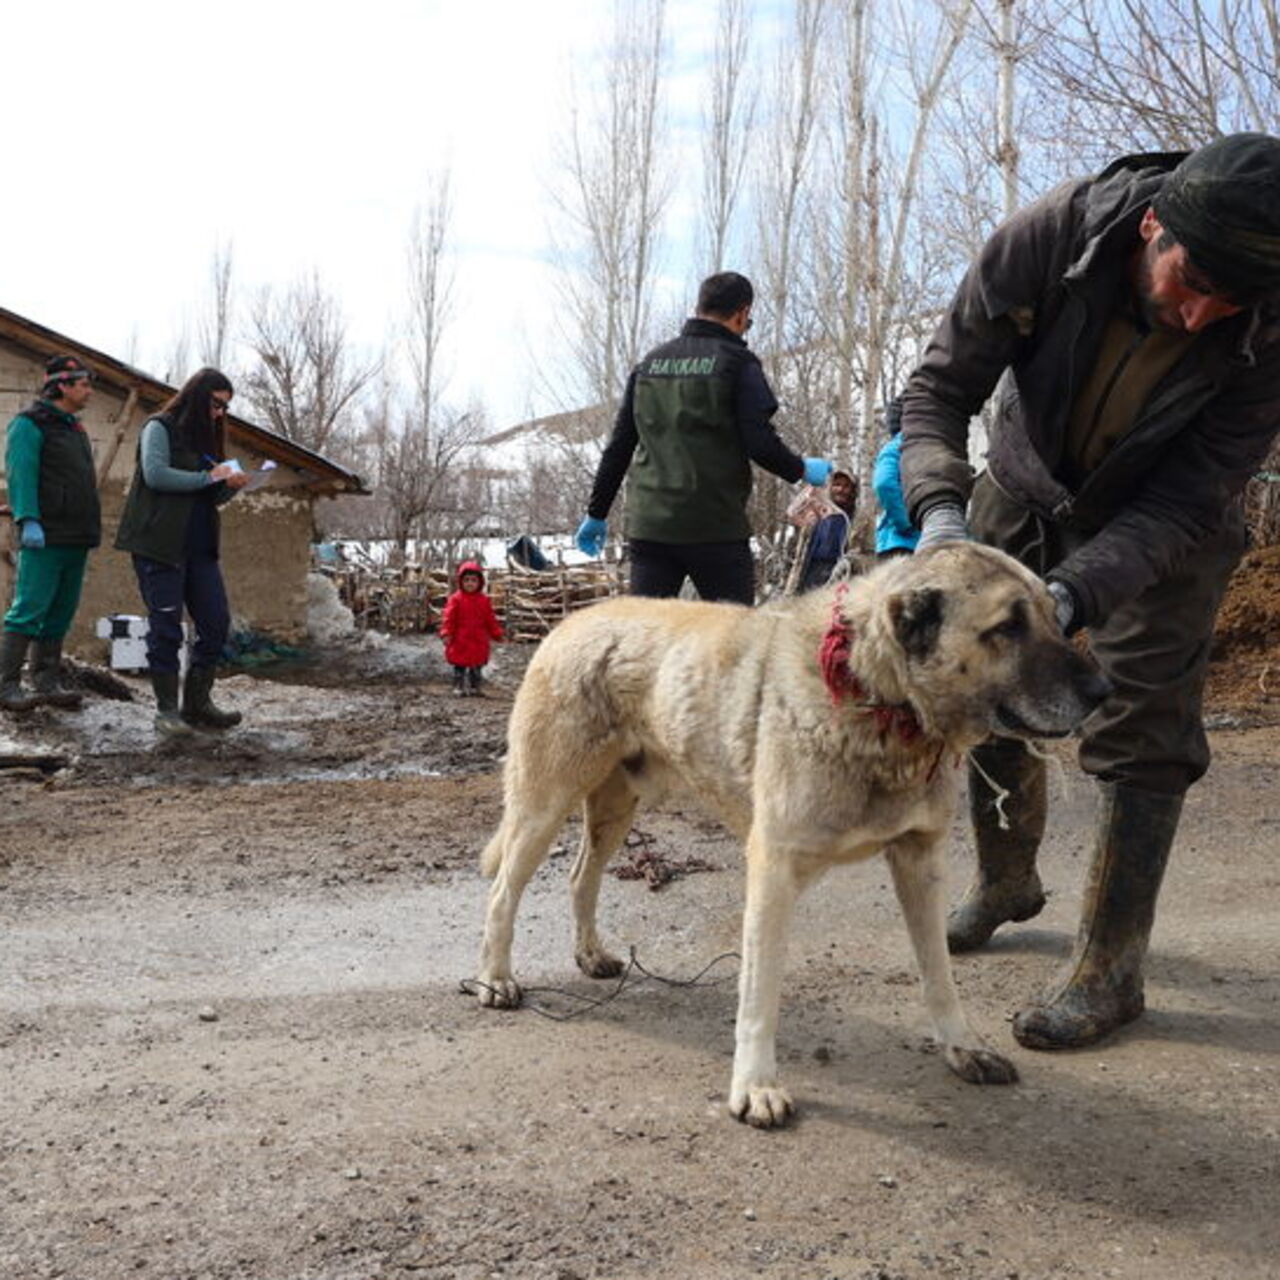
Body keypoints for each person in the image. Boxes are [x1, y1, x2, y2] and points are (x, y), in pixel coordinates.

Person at [899, 133, 1280, 1052]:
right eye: (1194, 282)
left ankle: (1111, 969)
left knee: (1142, 720)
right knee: (983, 681)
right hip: (1024, 483)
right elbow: (935, 393)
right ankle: (1005, 881)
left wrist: (1073, 596)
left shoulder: (1269, 328)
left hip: (1163, 528)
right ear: (1153, 226)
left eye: (1230, 300)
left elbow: (1189, 499)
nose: (1202, 316)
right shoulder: (1046, 239)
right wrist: (942, 512)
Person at [575, 271, 833, 604]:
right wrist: (800, 468)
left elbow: (619, 447)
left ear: (699, 307)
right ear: (742, 313)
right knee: (733, 643)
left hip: (650, 529)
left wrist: (596, 513)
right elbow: (759, 442)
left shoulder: (649, 365)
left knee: (647, 640)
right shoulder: (738, 363)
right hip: (715, 529)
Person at [114, 367, 250, 736]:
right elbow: (156, 474)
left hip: (200, 547)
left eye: (225, 407)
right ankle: (166, 711)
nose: (220, 412)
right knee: (166, 628)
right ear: (198, 395)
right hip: (159, 544)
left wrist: (231, 484)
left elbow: (211, 494)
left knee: (216, 622)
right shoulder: (160, 427)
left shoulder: (205, 441)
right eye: (216, 403)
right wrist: (209, 477)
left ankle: (198, 703)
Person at [1, 355, 101, 712]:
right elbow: (20, 474)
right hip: (45, 534)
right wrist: (28, 518)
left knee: (61, 611)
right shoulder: (30, 424)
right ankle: (7, 685)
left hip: (76, 535)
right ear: (62, 385)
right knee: (29, 609)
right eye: (84, 384)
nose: (89, 391)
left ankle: (46, 681)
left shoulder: (73, 427)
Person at [440, 561, 503, 696]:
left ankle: (475, 687)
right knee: (459, 665)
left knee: (477, 665)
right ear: (461, 581)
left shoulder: (483, 600)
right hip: (460, 639)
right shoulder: (455, 599)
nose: (470, 583)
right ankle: (459, 686)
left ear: (479, 582)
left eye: (473, 580)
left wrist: (497, 633)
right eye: (466, 580)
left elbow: (490, 619)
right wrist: (446, 633)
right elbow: (448, 618)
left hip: (478, 639)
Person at [872, 397, 919, 560]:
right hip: (901, 545)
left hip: (909, 544)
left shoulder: (907, 445)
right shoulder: (897, 447)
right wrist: (905, 522)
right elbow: (884, 483)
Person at [798, 469, 858, 590]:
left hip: (841, 577)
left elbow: (865, 554)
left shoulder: (859, 519)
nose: (841, 490)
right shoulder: (817, 513)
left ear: (853, 491)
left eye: (846, 486)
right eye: (837, 485)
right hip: (811, 573)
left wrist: (850, 563)